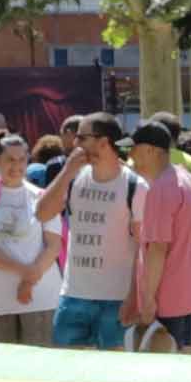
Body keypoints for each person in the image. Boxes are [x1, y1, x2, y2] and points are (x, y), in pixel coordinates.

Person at [36, 116, 142, 350]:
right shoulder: (74, 178)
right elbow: (42, 214)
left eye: (82, 137)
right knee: (69, 374)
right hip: (73, 295)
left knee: (114, 376)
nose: (75, 143)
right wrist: (67, 172)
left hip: (116, 299)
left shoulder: (135, 186)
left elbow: (142, 247)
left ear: (104, 142)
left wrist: (134, 296)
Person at [124, 121, 191, 353]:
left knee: (171, 372)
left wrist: (147, 299)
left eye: (133, 149)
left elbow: (158, 248)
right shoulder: (185, 177)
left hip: (171, 300)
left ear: (150, 150)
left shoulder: (161, 188)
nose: (130, 156)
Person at [0, 132, 58, 344]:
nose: (16, 165)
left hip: (40, 299)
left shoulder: (42, 197)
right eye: (9, 159)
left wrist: (29, 279)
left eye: (21, 159)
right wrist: (25, 272)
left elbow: (53, 246)